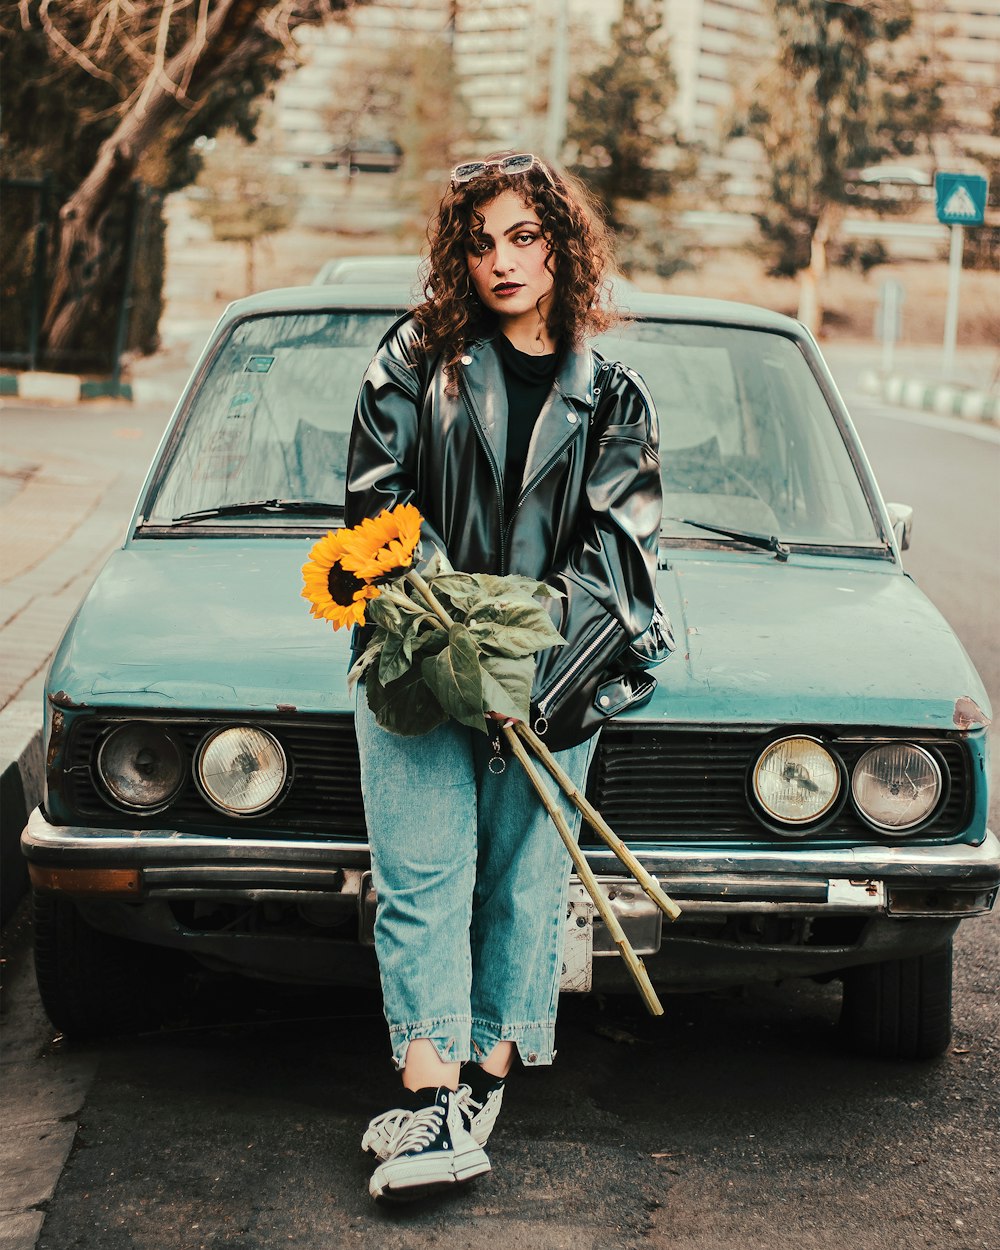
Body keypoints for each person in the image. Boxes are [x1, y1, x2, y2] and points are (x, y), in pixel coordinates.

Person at [345, 152, 663, 1203]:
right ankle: (431, 1091)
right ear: (458, 253)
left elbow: (619, 556)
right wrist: (456, 644)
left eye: (524, 235)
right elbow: (375, 507)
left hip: (553, 681)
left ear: (560, 245)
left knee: (525, 884)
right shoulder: (410, 358)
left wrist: (519, 663)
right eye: (480, 241)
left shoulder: (613, 394)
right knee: (423, 875)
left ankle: (478, 1079)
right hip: (413, 666)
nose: (500, 261)